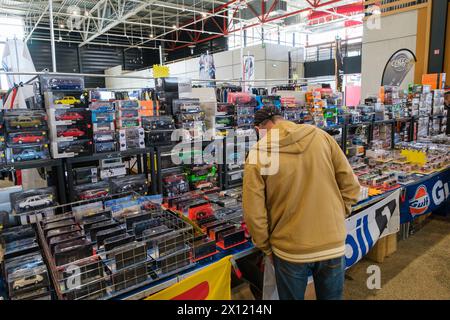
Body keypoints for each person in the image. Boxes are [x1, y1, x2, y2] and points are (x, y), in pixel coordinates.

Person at [242, 106, 361, 300]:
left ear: (259, 128)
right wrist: (339, 214)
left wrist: (265, 247)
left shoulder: (258, 152)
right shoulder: (320, 136)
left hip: (290, 249)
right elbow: (351, 185)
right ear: (282, 119)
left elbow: (254, 213)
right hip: (332, 242)